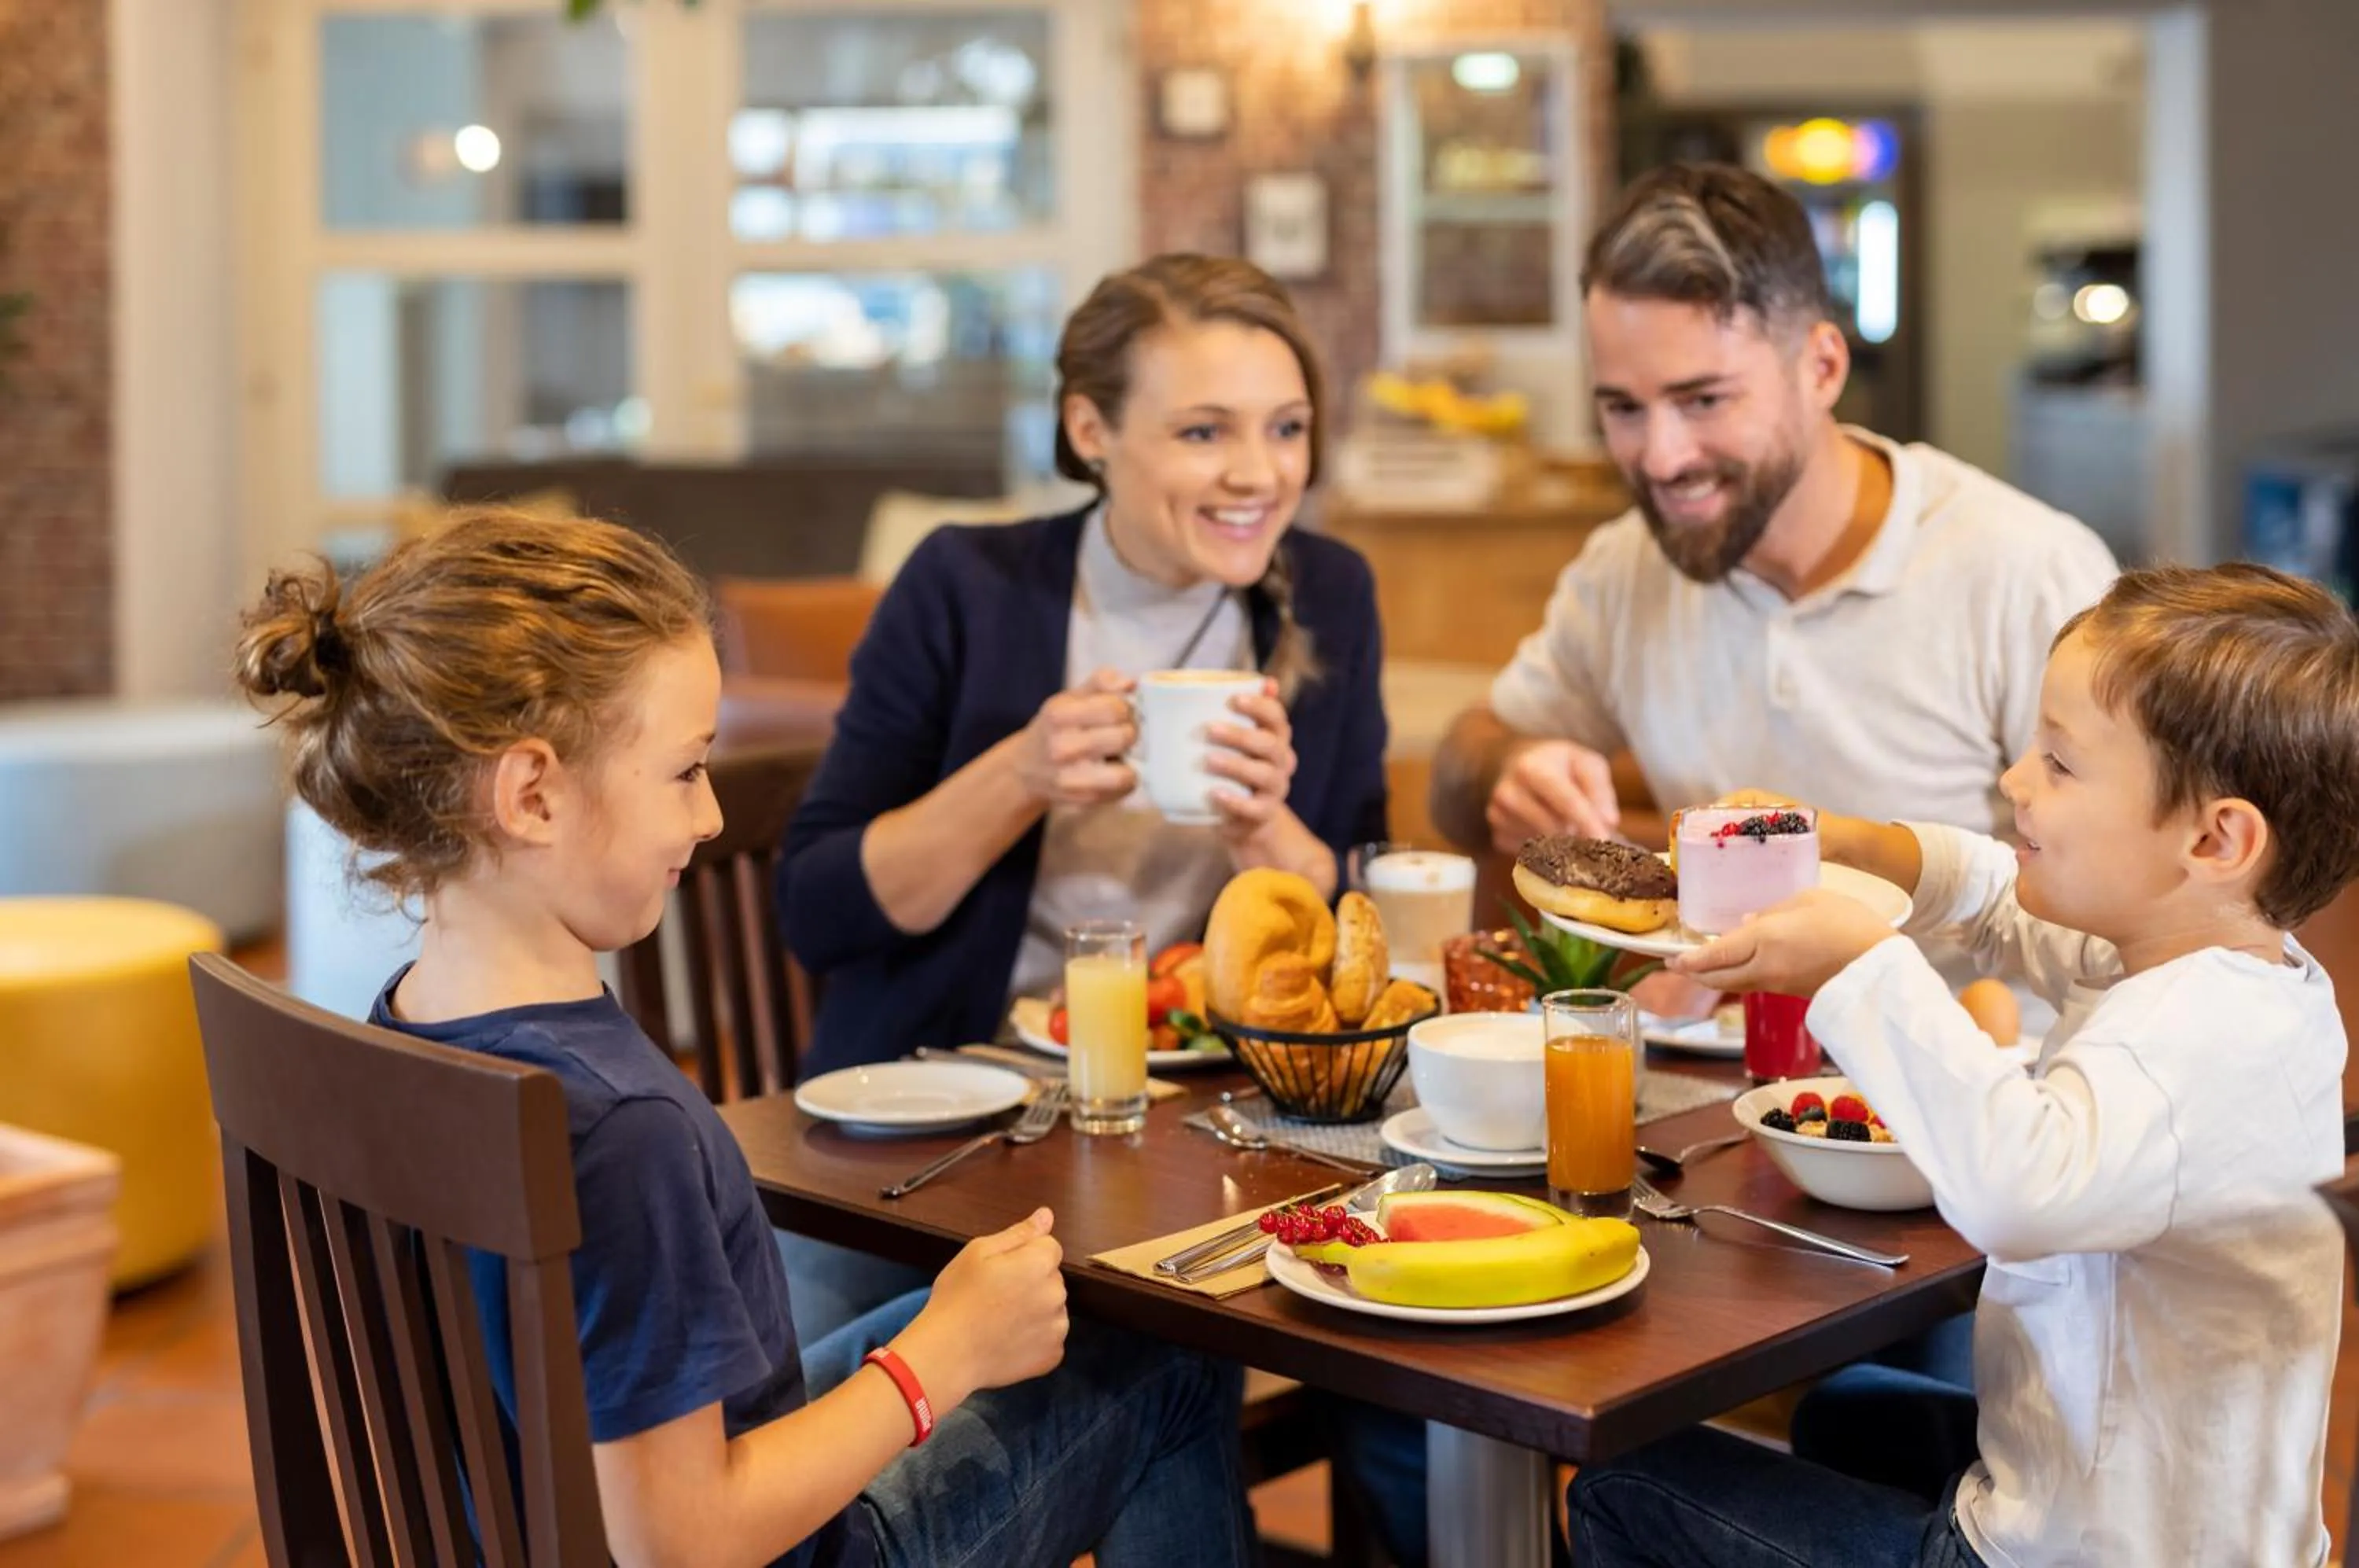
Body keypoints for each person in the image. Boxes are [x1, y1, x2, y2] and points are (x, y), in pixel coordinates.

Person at [233, 509, 1257, 1568]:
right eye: (686, 771)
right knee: (1163, 1350)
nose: (714, 816)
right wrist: (937, 1361)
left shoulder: (409, 1024)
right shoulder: (619, 1129)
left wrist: (947, 1333)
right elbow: (682, 1541)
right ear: (532, 793)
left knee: (1000, 1313)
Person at [1566, 561, 2359, 1566]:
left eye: (2060, 763)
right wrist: (1849, 841)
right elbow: (1994, 894)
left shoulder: (2186, 1042)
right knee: (1846, 1409)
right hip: (2159, 1511)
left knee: (1625, 1486)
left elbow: (2013, 1190)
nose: (2016, 779)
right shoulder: (2233, 972)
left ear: (2215, 838)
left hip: (2080, 1554)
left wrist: (1858, 963)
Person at [773, 255, 1391, 1340]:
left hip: (1204, 1131)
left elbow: (1357, 942)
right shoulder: (967, 584)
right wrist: (1019, 774)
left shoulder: (1330, 591)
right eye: (1203, 431)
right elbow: (818, 909)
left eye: (1286, 428)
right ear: (1090, 429)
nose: (1259, 474)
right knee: (800, 1368)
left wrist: (1266, 827)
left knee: (1204, 1337)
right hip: (943, 1118)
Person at [1430, 162, 2117, 957]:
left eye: (1704, 400)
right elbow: (1457, 776)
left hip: (1977, 1034)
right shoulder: (1625, 570)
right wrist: (1510, 767)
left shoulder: (2027, 570)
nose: (1661, 457)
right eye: (1623, 408)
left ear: (1822, 368)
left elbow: (2140, 904)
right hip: (1714, 1035)